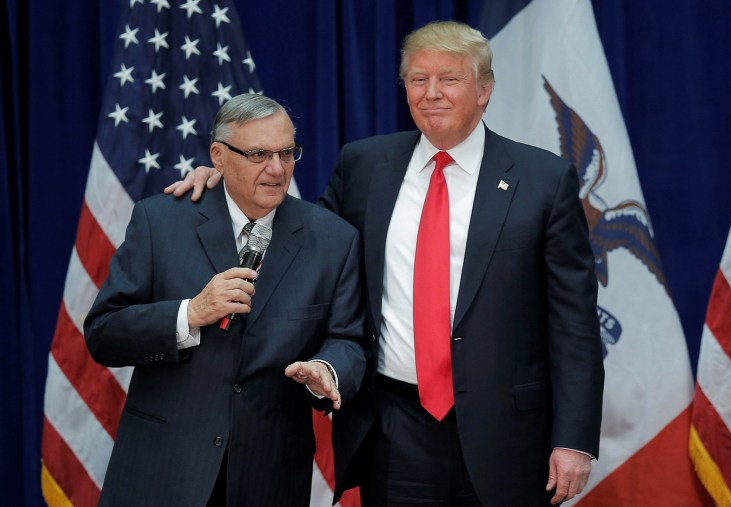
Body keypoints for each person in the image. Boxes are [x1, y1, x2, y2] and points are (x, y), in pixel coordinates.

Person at [168, 21, 604, 507]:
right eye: (418, 80)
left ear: (484, 90)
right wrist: (231, 179)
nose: (431, 92)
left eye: (449, 79)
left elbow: (574, 324)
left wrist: (574, 439)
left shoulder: (543, 179)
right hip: (394, 426)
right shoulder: (364, 165)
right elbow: (298, 243)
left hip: (510, 432)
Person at [85, 93, 366, 507]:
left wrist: (327, 368)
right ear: (218, 155)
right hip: (164, 469)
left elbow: (350, 340)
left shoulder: (333, 240)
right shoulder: (159, 221)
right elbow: (103, 334)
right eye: (258, 154)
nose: (276, 169)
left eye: (287, 153)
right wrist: (191, 313)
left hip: (269, 476)